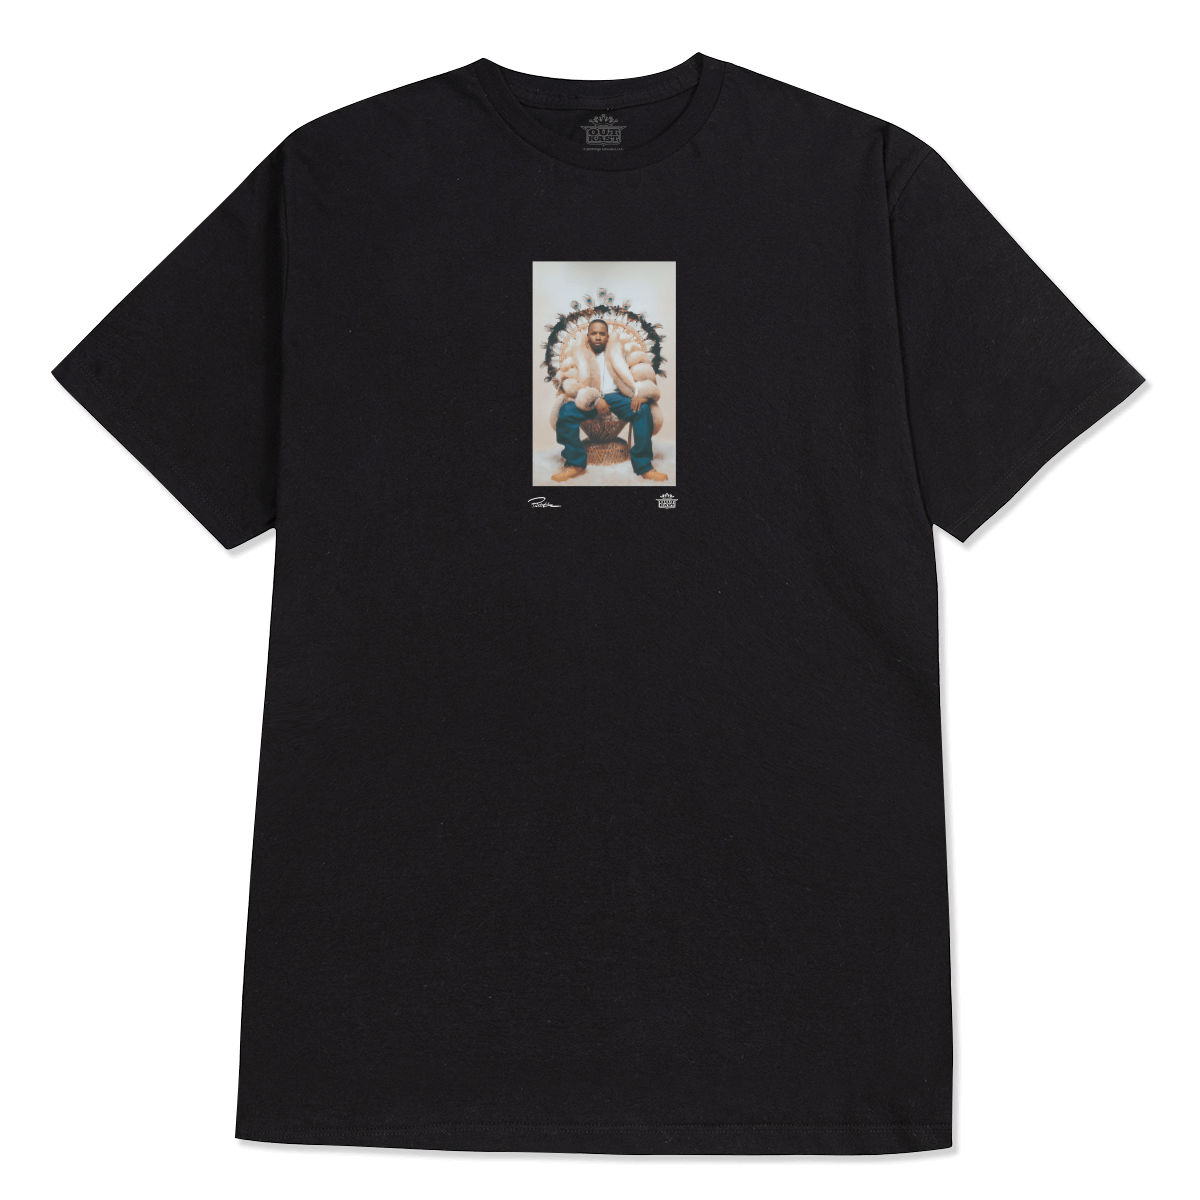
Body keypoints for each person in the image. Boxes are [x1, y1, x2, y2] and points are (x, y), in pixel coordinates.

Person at [551, 319, 669, 482]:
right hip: (588, 396)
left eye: (602, 333)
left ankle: (644, 466)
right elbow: (569, 381)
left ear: (608, 336)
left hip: (617, 397)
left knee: (642, 410)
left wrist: (643, 394)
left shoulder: (623, 348)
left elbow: (642, 372)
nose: (598, 337)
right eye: (594, 333)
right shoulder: (576, 353)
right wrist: (594, 399)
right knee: (565, 412)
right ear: (588, 336)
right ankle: (575, 463)